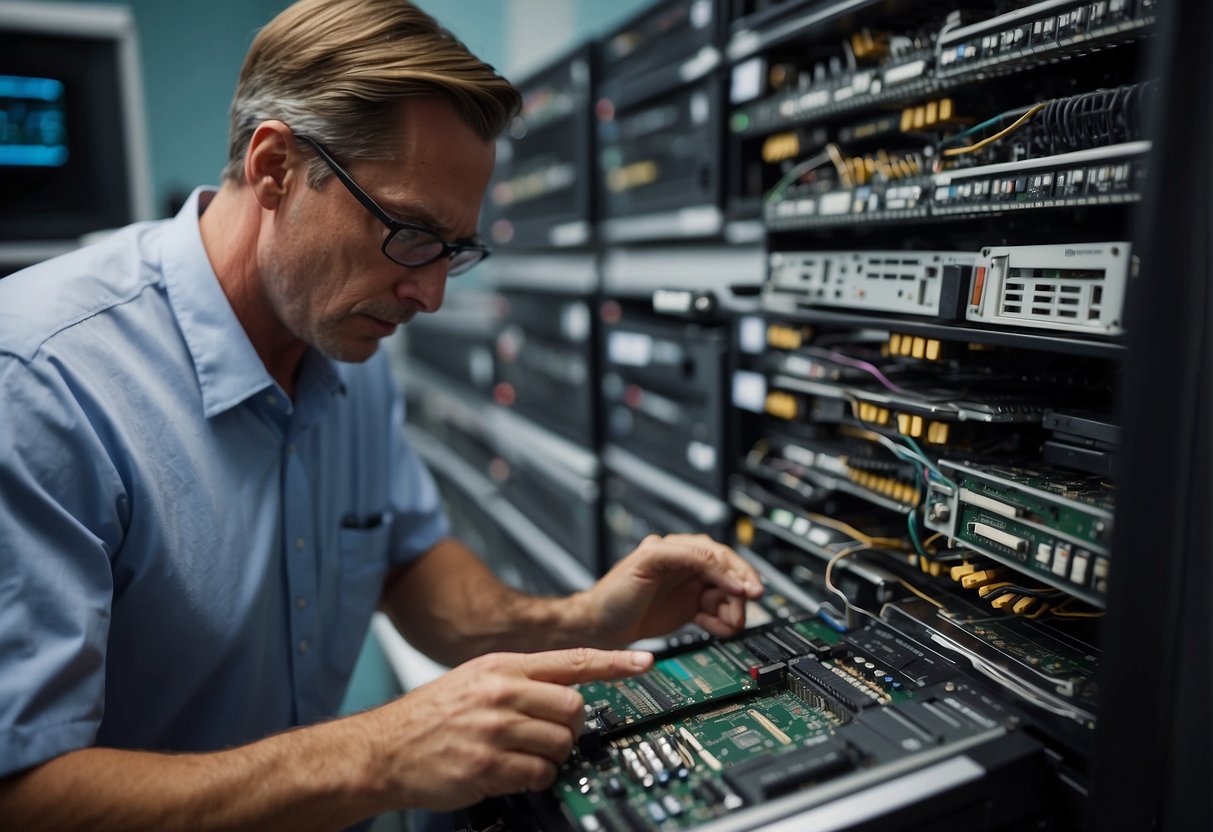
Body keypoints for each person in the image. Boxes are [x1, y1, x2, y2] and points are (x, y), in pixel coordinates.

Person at [0, 0, 764, 828]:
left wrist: (578, 618)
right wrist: (379, 754)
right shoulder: (40, 381)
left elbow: (404, 565)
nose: (429, 293)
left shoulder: (344, 340)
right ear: (275, 168)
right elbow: (26, 794)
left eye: (455, 251)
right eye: (408, 232)